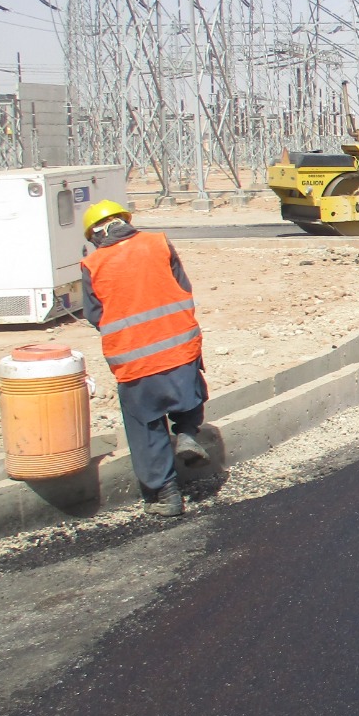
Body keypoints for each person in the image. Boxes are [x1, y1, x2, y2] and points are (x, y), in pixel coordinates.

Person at [79, 200, 207, 518]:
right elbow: (183, 287)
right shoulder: (158, 243)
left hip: (136, 360)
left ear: (95, 235)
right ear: (124, 221)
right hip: (179, 344)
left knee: (146, 424)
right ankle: (188, 432)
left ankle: (167, 494)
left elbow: (95, 315)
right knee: (188, 389)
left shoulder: (93, 265)